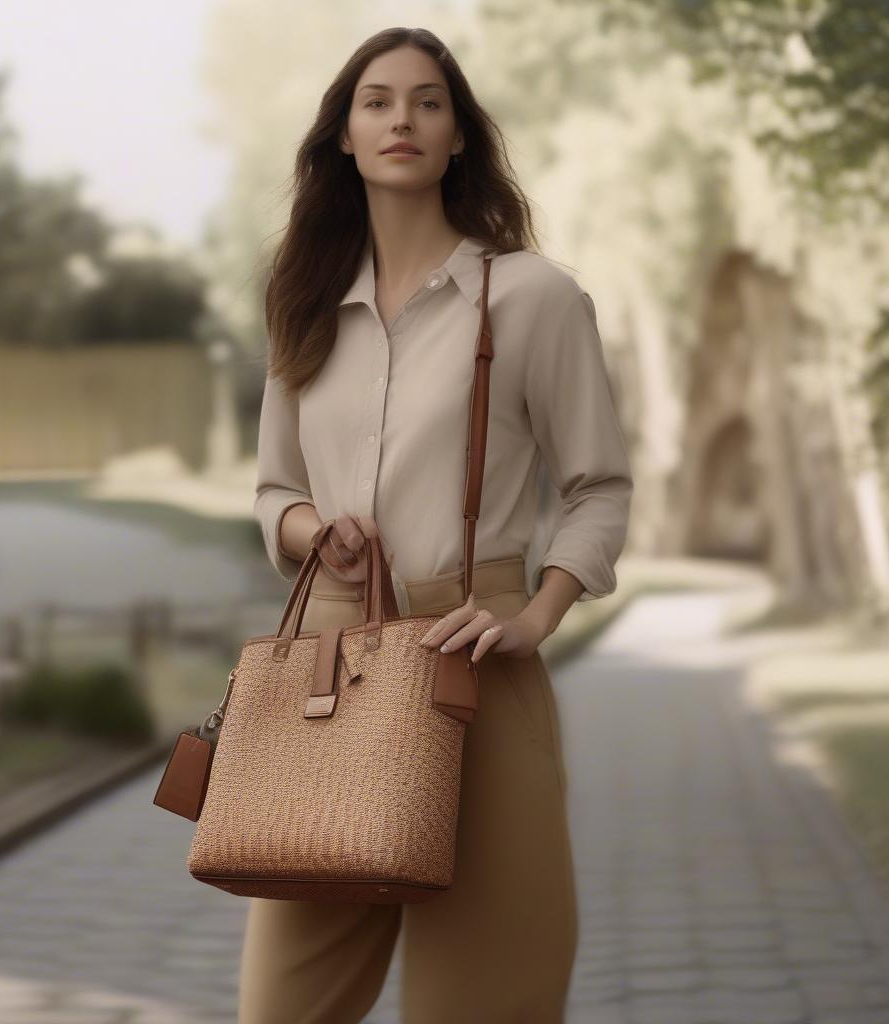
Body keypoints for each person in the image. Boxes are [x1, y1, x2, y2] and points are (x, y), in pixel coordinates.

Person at [241, 26, 633, 1024]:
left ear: (458, 134)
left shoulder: (535, 297)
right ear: (344, 136)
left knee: (489, 997)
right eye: (376, 101)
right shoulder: (305, 302)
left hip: (479, 659)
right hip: (331, 667)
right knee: (282, 1006)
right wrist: (309, 531)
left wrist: (537, 615)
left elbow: (598, 486)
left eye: (426, 101)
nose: (401, 119)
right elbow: (271, 490)